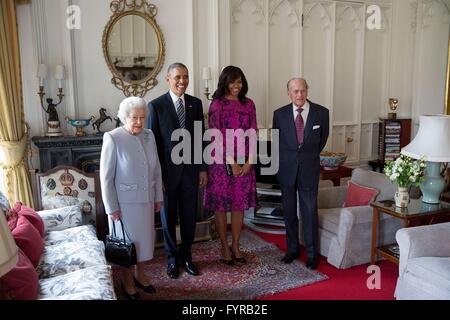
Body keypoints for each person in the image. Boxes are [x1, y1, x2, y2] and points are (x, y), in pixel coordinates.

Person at [148, 62, 207, 279]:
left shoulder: (196, 104)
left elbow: (201, 139)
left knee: (190, 216)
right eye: (178, 77)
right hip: (167, 175)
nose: (182, 81)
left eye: (186, 77)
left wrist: (203, 169)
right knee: (168, 218)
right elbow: (152, 145)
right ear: (168, 79)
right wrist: (157, 176)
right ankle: (172, 259)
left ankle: (187, 256)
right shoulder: (155, 106)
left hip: (191, 172)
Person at [100, 96, 163, 299]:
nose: (139, 122)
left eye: (142, 118)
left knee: (144, 244)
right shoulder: (113, 137)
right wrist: (111, 208)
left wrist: (158, 196)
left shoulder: (149, 135)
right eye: (134, 118)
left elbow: (156, 169)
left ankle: (141, 276)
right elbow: (106, 177)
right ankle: (127, 282)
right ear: (124, 117)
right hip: (124, 206)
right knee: (128, 246)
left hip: (146, 200)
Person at [272, 78, 329, 270]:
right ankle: (292, 250)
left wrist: (306, 156)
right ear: (288, 93)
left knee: (309, 212)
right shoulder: (278, 114)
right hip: (286, 170)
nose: (299, 95)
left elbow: (322, 141)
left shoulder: (322, 113)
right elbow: (276, 142)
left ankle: (312, 255)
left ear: (307, 91)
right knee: (289, 212)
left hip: (309, 170)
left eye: (303, 91)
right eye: (295, 91)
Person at [203, 66, 257, 265]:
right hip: (221, 162)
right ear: (224, 82)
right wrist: (232, 162)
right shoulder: (217, 104)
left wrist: (250, 160)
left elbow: (253, 132)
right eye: (233, 81)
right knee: (221, 206)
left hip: (245, 161)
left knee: (238, 205)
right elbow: (215, 136)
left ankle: (235, 244)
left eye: (240, 81)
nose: (237, 85)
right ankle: (224, 246)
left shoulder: (249, 104)